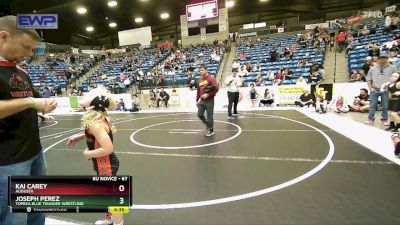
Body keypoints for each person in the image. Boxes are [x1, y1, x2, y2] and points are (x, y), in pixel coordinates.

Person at [0, 15, 57, 225]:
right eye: (26, 47)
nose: (30, 54)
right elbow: (29, 101)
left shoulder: (21, 72)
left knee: (37, 212)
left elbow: (35, 99)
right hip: (7, 162)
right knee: (13, 219)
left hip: (34, 153)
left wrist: (44, 107)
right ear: (4, 37)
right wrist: (31, 103)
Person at [66, 86, 124, 225]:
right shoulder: (97, 120)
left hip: (106, 163)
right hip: (103, 163)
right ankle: (110, 219)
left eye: (89, 95)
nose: (84, 96)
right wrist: (81, 136)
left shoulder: (96, 124)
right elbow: (96, 135)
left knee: (113, 197)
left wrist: (88, 153)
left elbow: (108, 148)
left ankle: (118, 223)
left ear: (94, 103)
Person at [365, 55, 397, 125]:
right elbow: (368, 79)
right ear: (378, 60)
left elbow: (396, 79)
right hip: (374, 90)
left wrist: (390, 88)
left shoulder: (393, 67)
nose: (383, 61)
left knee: (385, 106)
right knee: (372, 105)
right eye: (381, 60)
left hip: (386, 90)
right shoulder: (372, 68)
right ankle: (370, 119)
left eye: (385, 60)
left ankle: (384, 120)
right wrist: (370, 88)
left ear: (387, 59)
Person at [196, 64, 219, 137]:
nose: (201, 71)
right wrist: (197, 100)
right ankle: (207, 124)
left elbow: (216, 89)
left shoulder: (211, 79)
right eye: (200, 70)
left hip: (209, 100)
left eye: (202, 70)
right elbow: (198, 91)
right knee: (199, 114)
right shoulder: (199, 80)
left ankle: (211, 130)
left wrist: (208, 95)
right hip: (202, 101)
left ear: (206, 70)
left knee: (209, 116)